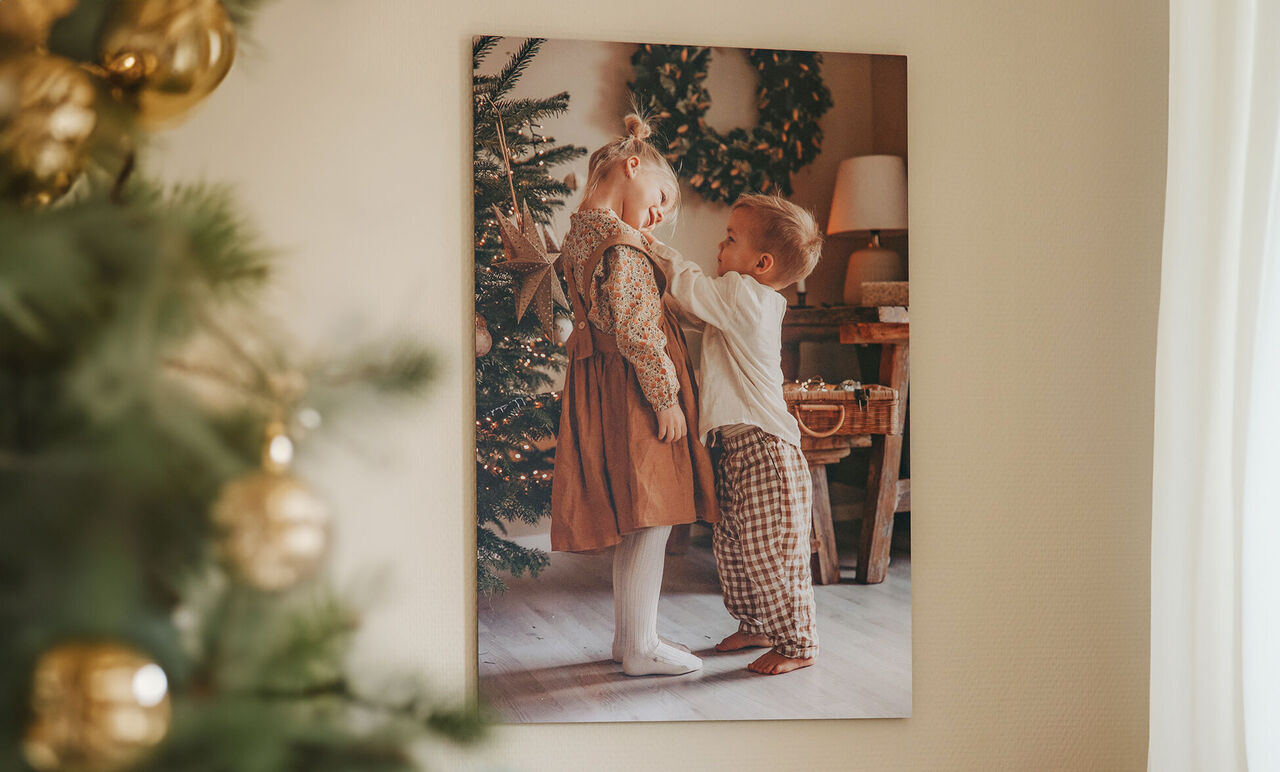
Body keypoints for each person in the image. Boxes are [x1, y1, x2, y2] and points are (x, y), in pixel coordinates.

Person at [549, 113, 718, 676]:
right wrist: (665, 397)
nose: (658, 216)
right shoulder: (621, 244)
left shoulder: (580, 233)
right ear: (633, 164)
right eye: (661, 199)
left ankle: (629, 640)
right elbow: (639, 330)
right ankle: (642, 646)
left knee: (640, 514)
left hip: (600, 381)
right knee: (654, 512)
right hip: (635, 387)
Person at [647, 193, 823, 675]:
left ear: (761, 264)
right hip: (738, 448)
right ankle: (757, 623)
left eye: (730, 239)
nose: (720, 247)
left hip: (767, 449)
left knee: (772, 553)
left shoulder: (750, 298)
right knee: (735, 547)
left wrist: (649, 245)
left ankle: (799, 641)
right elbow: (690, 311)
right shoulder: (737, 303)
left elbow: (691, 288)